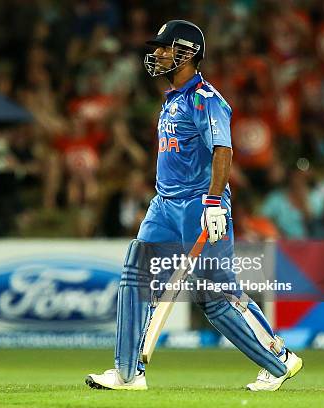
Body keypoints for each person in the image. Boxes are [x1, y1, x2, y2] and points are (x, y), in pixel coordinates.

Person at [86, 20, 302, 392]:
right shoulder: (171, 100)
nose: (156, 54)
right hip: (164, 204)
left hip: (200, 206)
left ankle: (278, 357)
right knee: (135, 276)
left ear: (186, 52)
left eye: (164, 47)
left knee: (214, 293)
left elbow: (223, 149)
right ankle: (127, 373)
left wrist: (215, 202)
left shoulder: (206, 99)